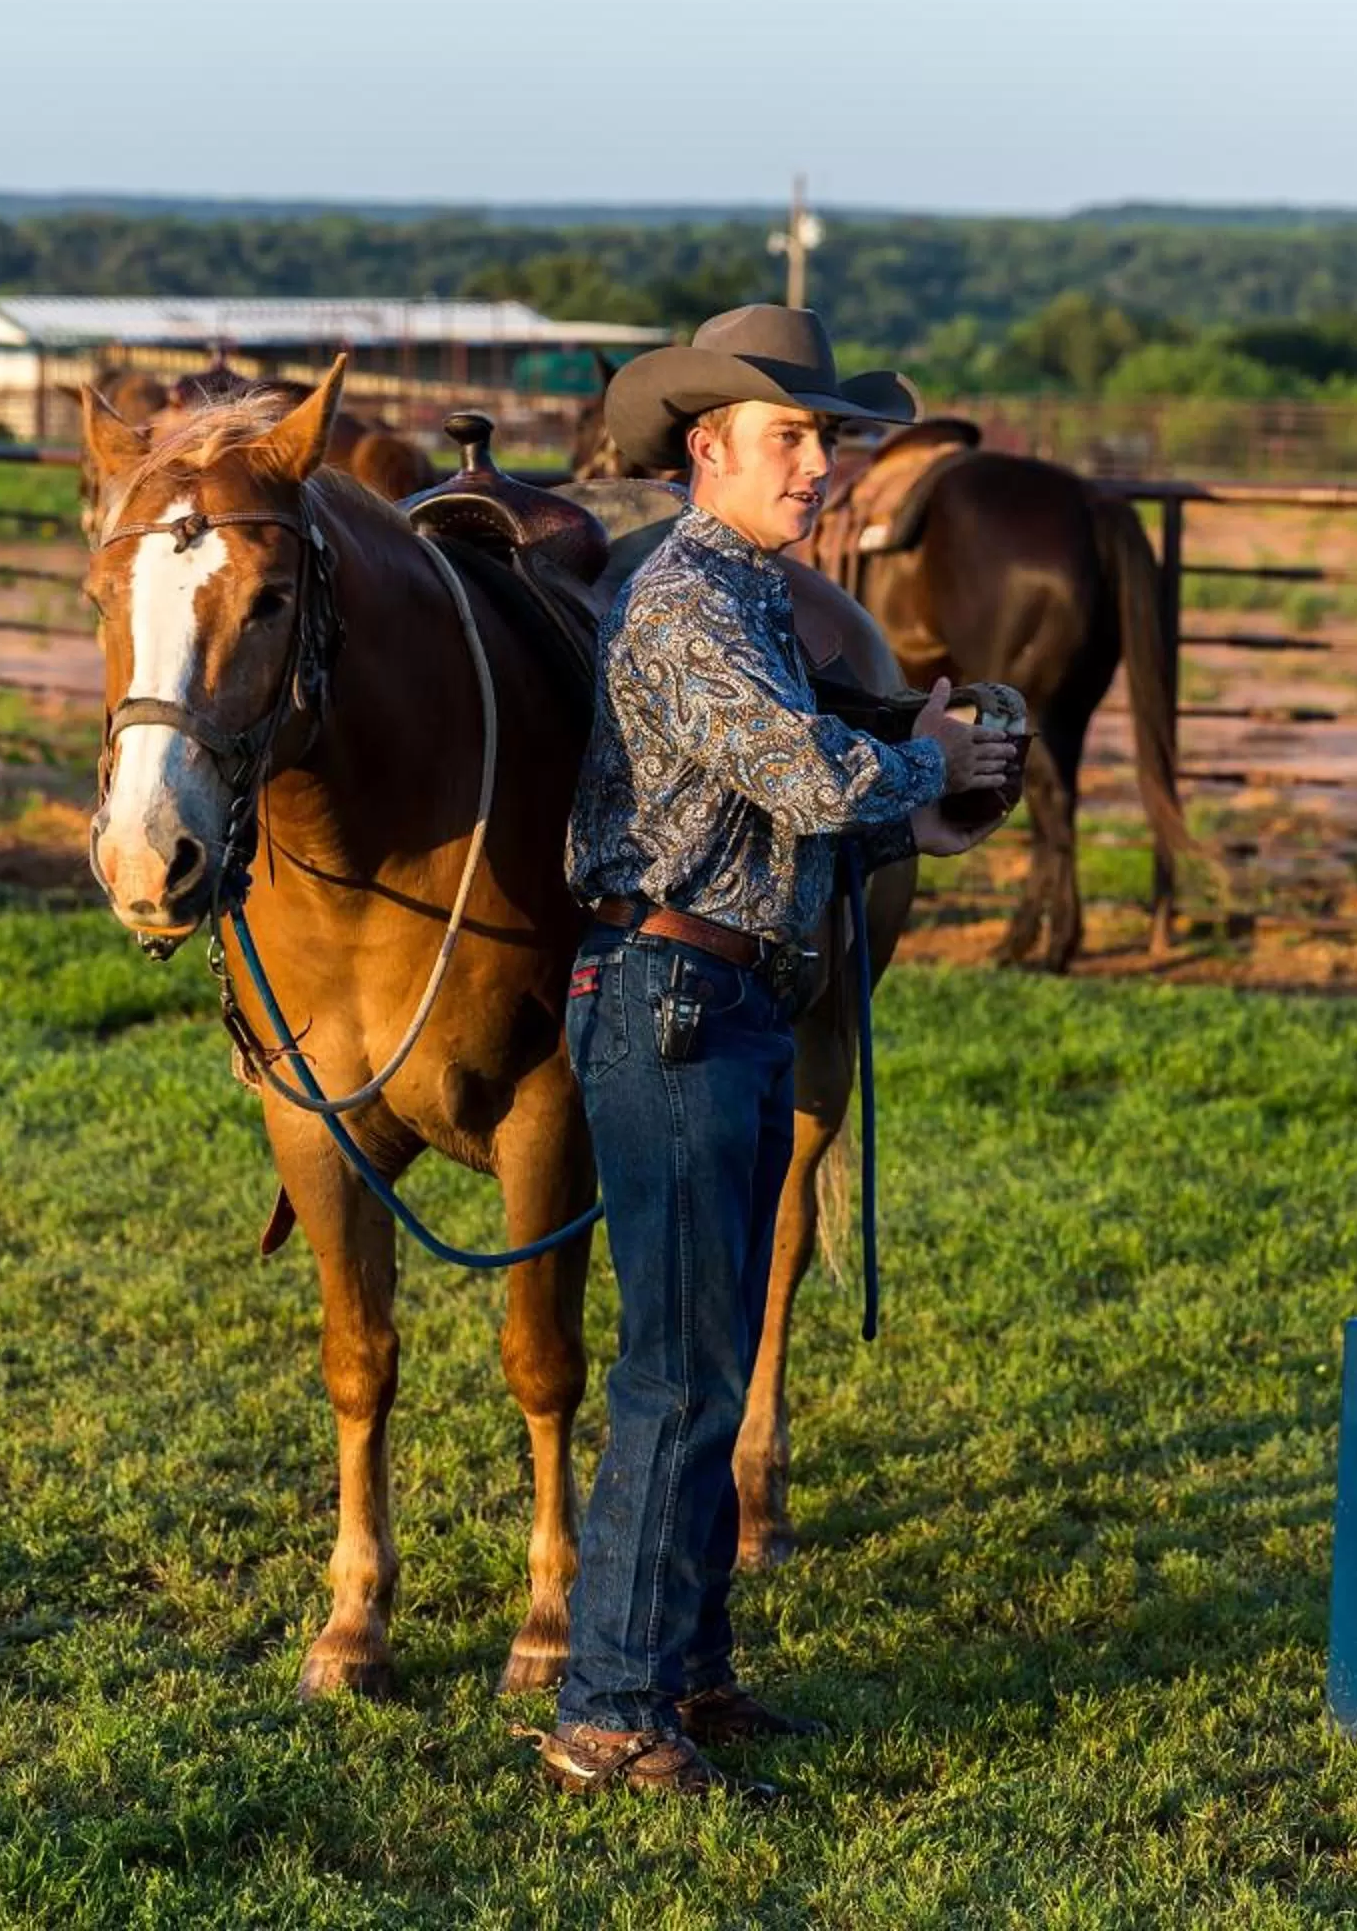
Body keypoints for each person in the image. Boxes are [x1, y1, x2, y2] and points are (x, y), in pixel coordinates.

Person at [521, 306, 1021, 1798]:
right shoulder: (683, 602)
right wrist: (930, 762)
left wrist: (911, 795)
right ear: (708, 449)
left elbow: (786, 796)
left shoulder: (749, 598)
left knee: (712, 1366)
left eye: (828, 440)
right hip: (674, 1000)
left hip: (722, 1000)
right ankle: (607, 1708)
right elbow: (801, 773)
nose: (821, 466)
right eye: (791, 439)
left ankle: (685, 1675)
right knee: (677, 1376)